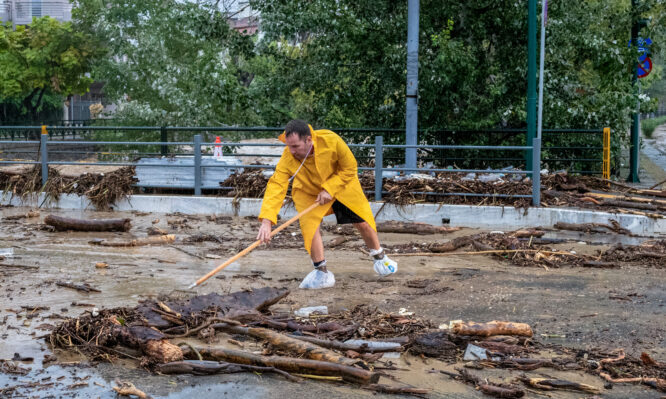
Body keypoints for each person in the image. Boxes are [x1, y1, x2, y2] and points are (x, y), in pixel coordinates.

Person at [256, 119, 398, 289]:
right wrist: (266, 220)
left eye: (295, 146)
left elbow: (350, 167)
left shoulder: (331, 140)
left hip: (341, 186)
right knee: (310, 227)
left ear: (309, 139)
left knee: (362, 222)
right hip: (309, 192)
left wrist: (330, 189)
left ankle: (380, 257)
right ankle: (320, 271)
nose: (291, 151)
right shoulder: (289, 156)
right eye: (288, 146)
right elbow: (277, 184)